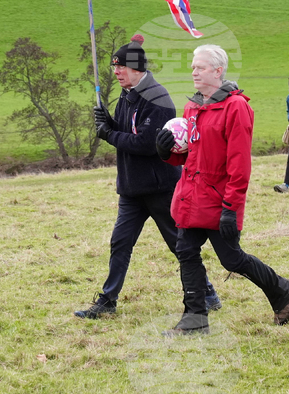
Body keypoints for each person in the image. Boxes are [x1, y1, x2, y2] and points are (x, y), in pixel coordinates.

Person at [75, 35, 221, 319]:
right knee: (120, 242)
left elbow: (145, 144)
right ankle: (107, 301)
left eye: (120, 67)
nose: (115, 72)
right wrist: (109, 122)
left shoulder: (158, 99)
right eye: (114, 67)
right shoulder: (127, 95)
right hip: (131, 189)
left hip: (160, 188)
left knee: (179, 244)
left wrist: (108, 134)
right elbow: (127, 131)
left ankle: (207, 292)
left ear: (137, 68)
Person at [156, 44, 289, 336]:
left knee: (231, 259)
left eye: (201, 67)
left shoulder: (236, 107)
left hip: (219, 200)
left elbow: (239, 165)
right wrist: (168, 152)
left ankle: (281, 288)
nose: (194, 71)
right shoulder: (193, 106)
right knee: (185, 250)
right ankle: (194, 318)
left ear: (218, 71)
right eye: (193, 66)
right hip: (190, 196)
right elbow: (191, 154)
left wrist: (231, 208)